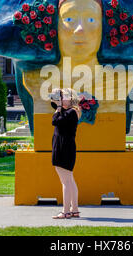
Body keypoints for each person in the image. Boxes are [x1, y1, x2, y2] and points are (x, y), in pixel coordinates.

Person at [51, 87, 82, 219]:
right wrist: (56, 100)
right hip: (66, 148)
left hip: (63, 149)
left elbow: (55, 121)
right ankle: (74, 209)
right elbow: (53, 105)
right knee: (70, 180)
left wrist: (58, 107)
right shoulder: (69, 112)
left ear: (70, 98)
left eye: (63, 96)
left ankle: (65, 211)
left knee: (66, 182)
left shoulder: (70, 112)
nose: (60, 98)